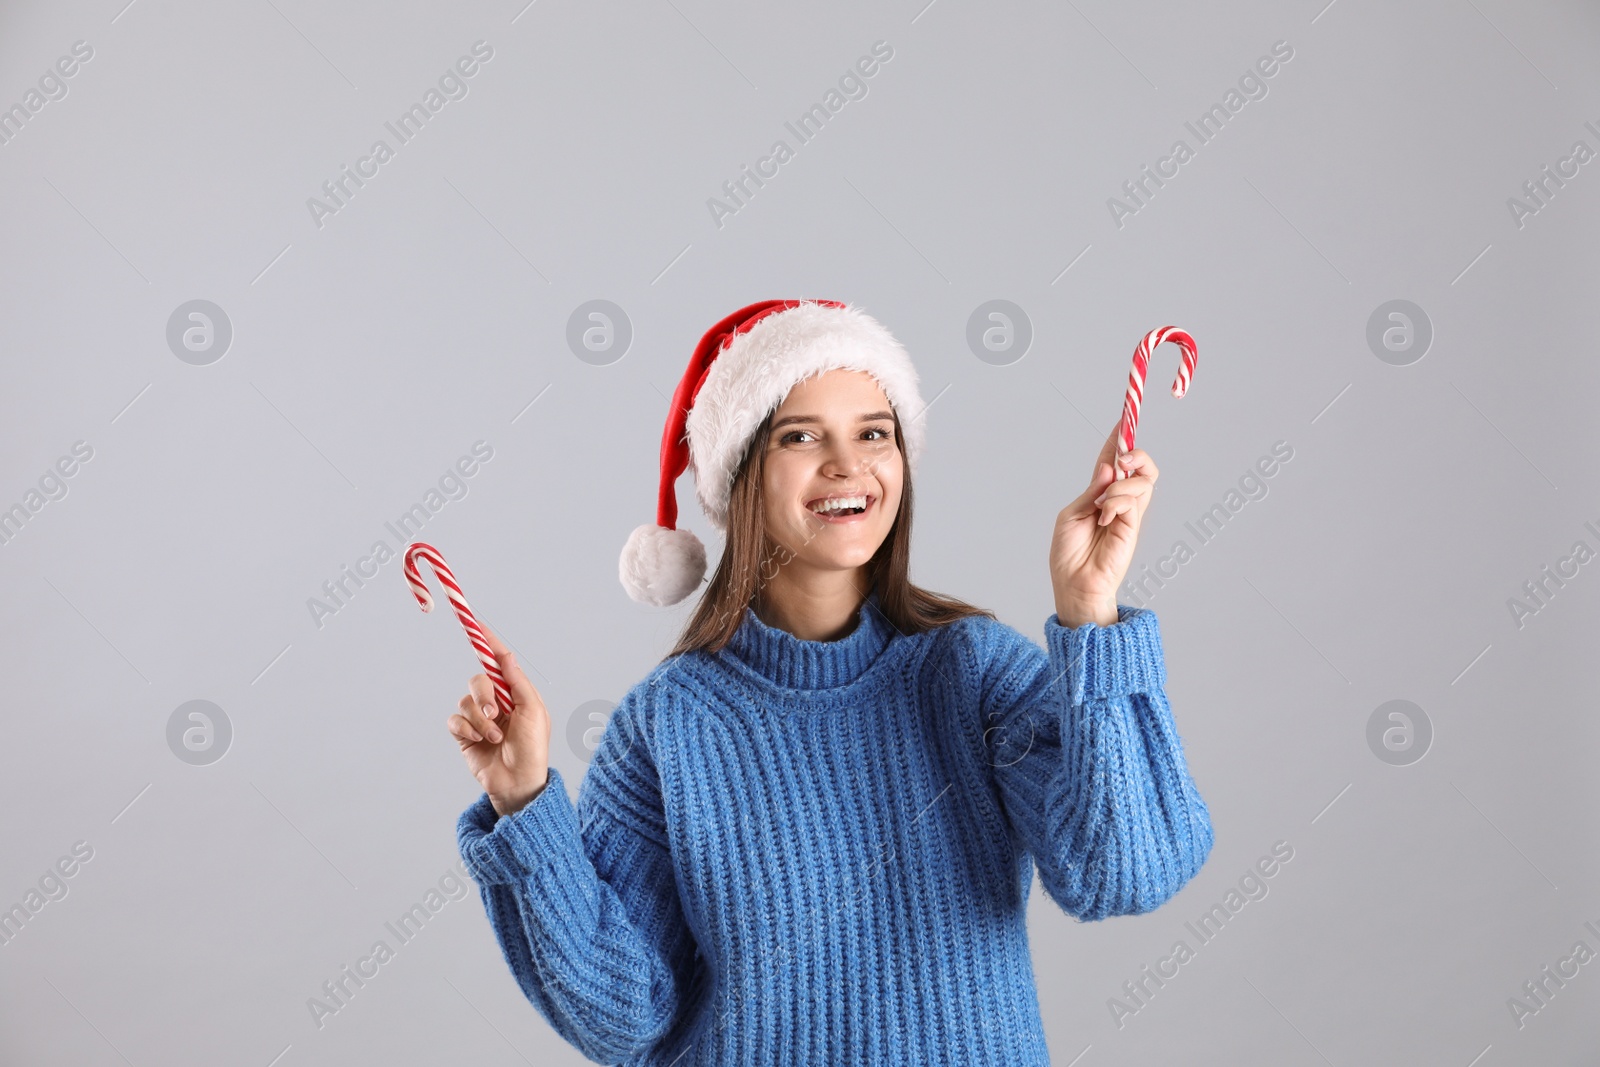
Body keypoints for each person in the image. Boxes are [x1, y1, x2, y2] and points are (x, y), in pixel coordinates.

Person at [450, 299, 1214, 1065]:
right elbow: (624, 1017)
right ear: (743, 471)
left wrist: (1090, 617)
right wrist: (525, 808)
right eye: (801, 435)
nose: (847, 463)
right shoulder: (668, 723)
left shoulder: (974, 672)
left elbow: (1124, 872)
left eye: (874, 433)